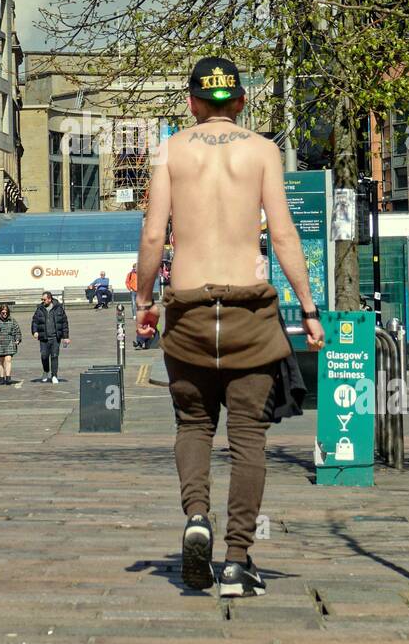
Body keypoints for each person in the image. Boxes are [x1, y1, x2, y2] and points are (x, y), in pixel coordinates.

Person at [136, 57, 324, 597]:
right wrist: (308, 309)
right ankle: (238, 560)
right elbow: (284, 236)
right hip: (249, 312)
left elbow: (154, 236)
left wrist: (146, 300)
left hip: (190, 309)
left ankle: (197, 517)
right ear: (240, 101)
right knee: (248, 437)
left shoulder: (169, 151)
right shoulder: (263, 151)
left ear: (191, 102)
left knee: (193, 425)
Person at [31, 291, 70, 383]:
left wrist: (66, 337)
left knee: (54, 356)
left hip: (55, 337)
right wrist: (35, 331)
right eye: (42, 299)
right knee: (44, 355)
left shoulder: (59, 309)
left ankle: (54, 375)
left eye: (44, 299)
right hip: (43, 337)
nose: (43, 301)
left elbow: (64, 323)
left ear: (49, 299)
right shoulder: (39, 309)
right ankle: (46, 371)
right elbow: (35, 322)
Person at [0, 302, 22, 385]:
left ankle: (8, 378)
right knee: (0, 361)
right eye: (3, 312)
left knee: (8, 359)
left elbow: (17, 331)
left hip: (9, 342)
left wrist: (17, 339)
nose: (5, 314)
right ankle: (2, 378)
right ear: (0, 312)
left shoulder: (12, 320)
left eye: (6, 312)